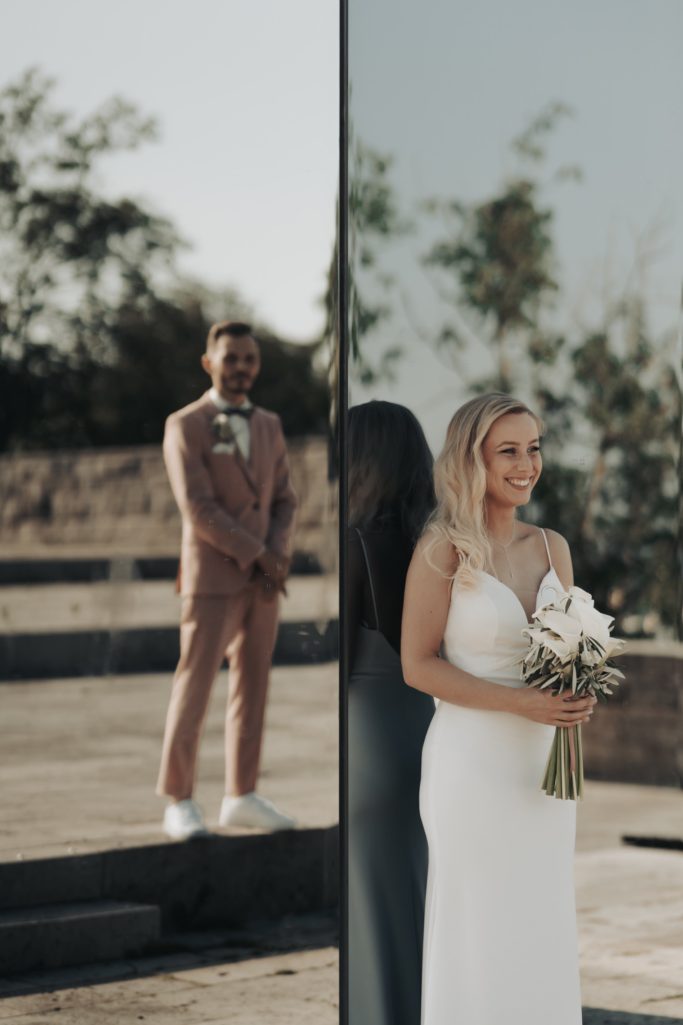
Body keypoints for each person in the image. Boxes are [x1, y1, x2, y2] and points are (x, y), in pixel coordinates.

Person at [401, 393, 596, 1025]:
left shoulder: (551, 546)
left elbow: (567, 642)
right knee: (477, 926)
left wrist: (578, 685)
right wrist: (521, 703)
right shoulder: (442, 550)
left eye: (533, 447)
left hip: (543, 772)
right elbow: (418, 664)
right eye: (507, 450)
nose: (526, 463)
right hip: (472, 768)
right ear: (472, 460)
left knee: (540, 916)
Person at [157, 320, 298, 840]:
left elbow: (284, 497)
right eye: (232, 358)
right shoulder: (185, 424)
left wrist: (277, 554)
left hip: (264, 581)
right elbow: (197, 507)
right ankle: (178, 798)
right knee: (194, 686)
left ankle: (241, 793)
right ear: (209, 362)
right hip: (213, 576)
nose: (241, 368)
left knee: (253, 687)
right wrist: (258, 553)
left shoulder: (269, 424)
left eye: (250, 359)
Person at [347, 400, 437, 1025]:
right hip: (427, 730)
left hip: (367, 736)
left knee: (373, 911)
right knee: (418, 901)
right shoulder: (440, 547)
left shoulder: (354, 544)